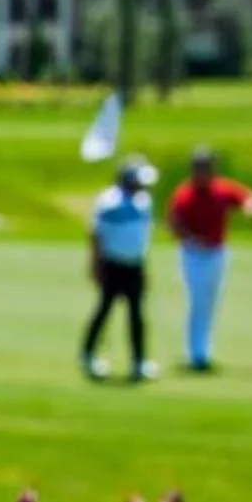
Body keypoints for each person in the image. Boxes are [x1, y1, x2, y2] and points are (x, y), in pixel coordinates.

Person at [167, 147, 252, 372]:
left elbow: (250, 199)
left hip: (217, 253)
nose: (203, 172)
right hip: (193, 253)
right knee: (198, 301)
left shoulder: (221, 189)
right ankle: (196, 353)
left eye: (207, 167)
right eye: (199, 167)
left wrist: (251, 207)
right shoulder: (184, 194)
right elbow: (173, 223)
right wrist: (190, 239)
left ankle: (203, 350)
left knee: (210, 302)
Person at [82, 157, 157, 383]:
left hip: (135, 265)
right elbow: (96, 235)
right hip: (112, 264)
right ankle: (88, 355)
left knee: (136, 315)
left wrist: (144, 266)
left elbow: (141, 237)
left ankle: (139, 362)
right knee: (104, 310)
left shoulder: (144, 201)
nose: (142, 185)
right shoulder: (109, 202)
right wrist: (95, 265)